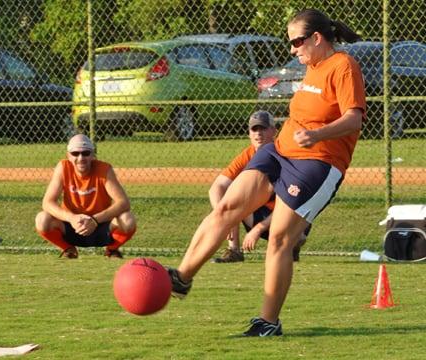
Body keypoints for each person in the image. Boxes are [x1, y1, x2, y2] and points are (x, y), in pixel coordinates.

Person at [167, 8, 366, 337]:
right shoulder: (312, 67)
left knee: (279, 240)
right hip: (279, 151)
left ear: (317, 38)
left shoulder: (343, 66)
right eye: (290, 42)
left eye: (297, 41)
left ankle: (268, 322)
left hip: (317, 162)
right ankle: (182, 277)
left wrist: (316, 134)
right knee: (227, 208)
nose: (292, 49)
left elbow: (354, 119)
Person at [210, 111, 308, 263]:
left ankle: (290, 245)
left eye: (263, 128)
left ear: (274, 131)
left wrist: (259, 228)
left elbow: (294, 204)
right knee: (231, 197)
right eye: (254, 129)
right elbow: (217, 187)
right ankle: (234, 251)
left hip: (289, 216)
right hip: (262, 215)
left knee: (299, 229)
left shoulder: (285, 155)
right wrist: (222, 218)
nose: (258, 134)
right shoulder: (248, 155)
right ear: (249, 134)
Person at [35, 134, 136, 259]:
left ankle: (112, 250)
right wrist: (72, 218)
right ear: (68, 156)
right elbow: (47, 203)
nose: (81, 158)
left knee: (128, 219)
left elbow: (123, 202)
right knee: (42, 219)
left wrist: (94, 220)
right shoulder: (63, 167)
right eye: (75, 153)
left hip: (101, 225)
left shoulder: (104, 169)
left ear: (93, 155)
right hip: (71, 226)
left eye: (86, 153)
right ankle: (69, 249)